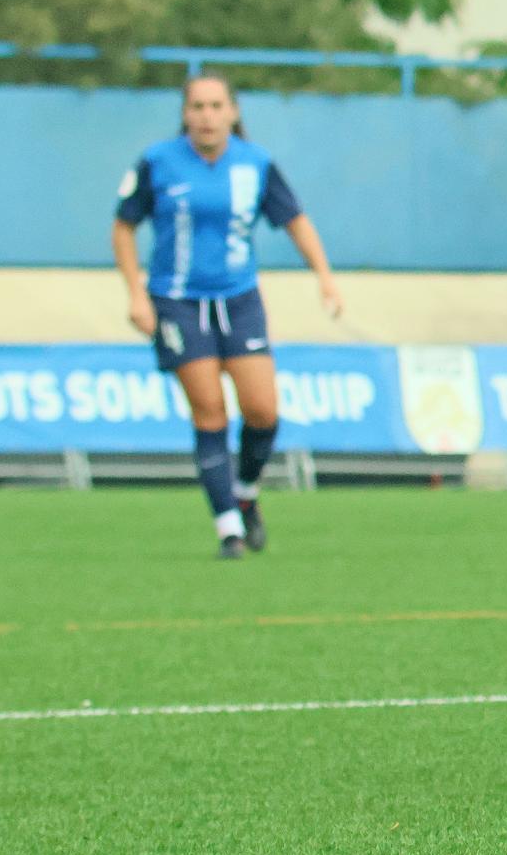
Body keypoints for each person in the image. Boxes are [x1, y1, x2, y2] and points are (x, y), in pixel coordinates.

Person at [111, 76, 343, 559]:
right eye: (197, 106)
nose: (207, 115)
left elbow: (295, 220)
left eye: (216, 106)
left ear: (233, 112)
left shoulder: (254, 164)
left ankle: (247, 494)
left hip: (239, 300)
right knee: (210, 410)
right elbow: (124, 225)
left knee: (263, 412)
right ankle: (228, 530)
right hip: (177, 302)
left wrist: (325, 277)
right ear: (185, 114)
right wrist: (136, 294)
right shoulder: (159, 161)